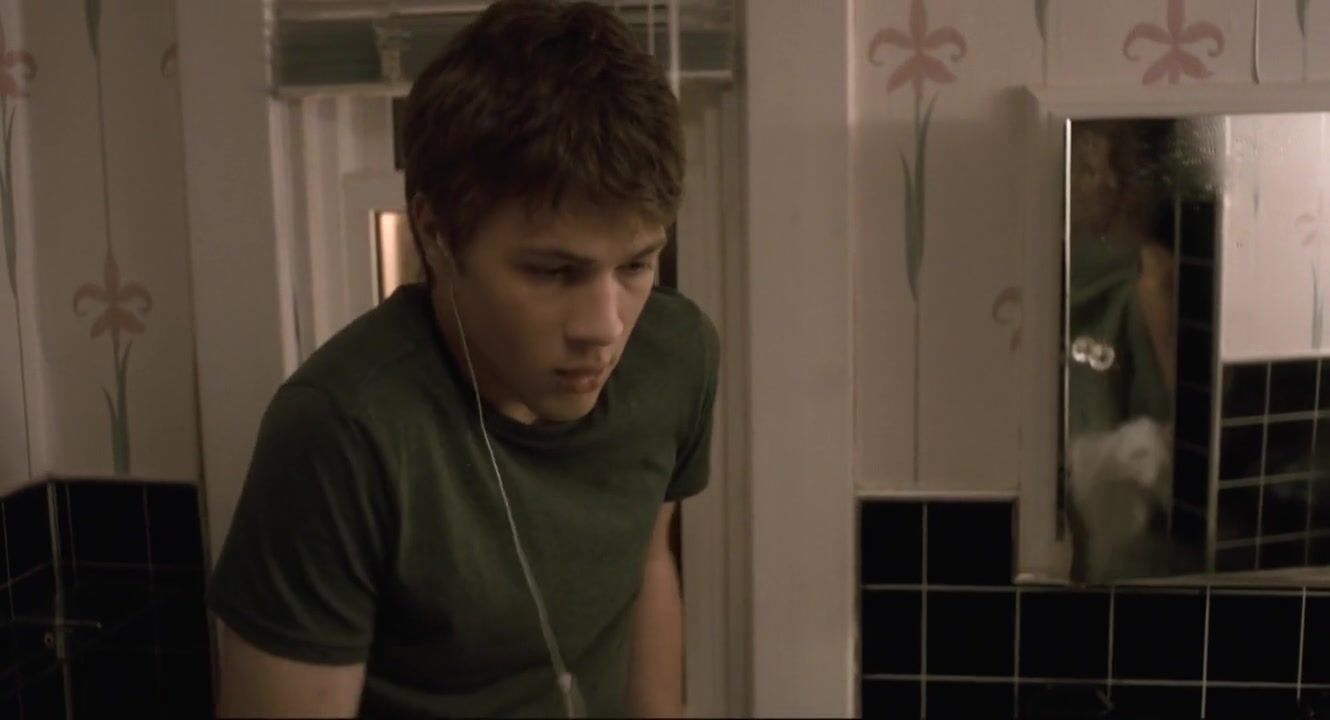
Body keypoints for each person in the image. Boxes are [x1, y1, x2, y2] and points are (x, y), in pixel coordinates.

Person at [206, 1, 719, 717]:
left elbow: (647, 560)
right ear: (436, 235)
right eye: (553, 272)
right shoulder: (340, 433)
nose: (604, 328)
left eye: (636, 264)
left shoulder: (675, 356)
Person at [1064, 120, 1179, 583]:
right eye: (1089, 168)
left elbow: (1180, 432)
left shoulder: (1150, 277)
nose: (1110, 183)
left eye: (1123, 167)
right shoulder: (1036, 265)